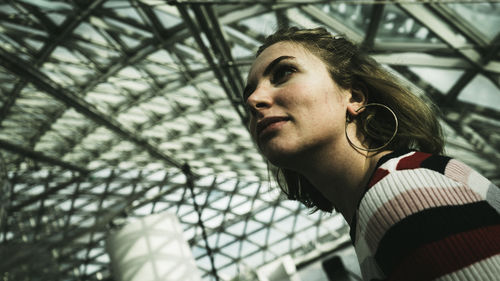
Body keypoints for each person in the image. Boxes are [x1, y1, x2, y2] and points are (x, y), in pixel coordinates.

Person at [243, 27, 500, 281]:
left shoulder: (401, 193)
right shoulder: (391, 190)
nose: (254, 100)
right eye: (248, 93)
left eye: (283, 73)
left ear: (354, 98)